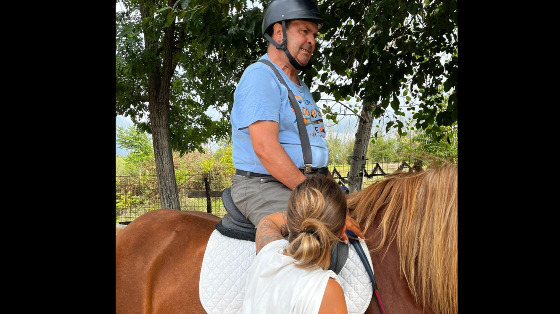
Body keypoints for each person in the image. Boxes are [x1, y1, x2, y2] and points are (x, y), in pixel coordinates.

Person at [230, 0, 336, 229]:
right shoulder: (261, 76)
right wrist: (312, 195)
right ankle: (272, 262)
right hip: (264, 185)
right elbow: (265, 148)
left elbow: (313, 149)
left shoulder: (300, 86)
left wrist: (335, 192)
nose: (312, 42)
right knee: (314, 234)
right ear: (279, 33)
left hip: (306, 183)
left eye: (315, 35)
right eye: (305, 32)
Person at [243, 175, 360, 314]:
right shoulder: (326, 290)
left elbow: (268, 221)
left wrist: (304, 216)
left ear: (289, 219)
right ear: (342, 230)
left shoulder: (266, 255)